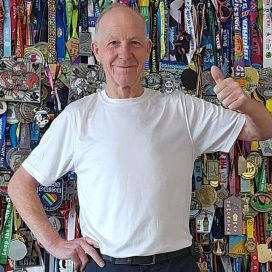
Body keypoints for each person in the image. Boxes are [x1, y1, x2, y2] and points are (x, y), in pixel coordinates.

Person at [8, 4, 272, 272]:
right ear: (97, 51)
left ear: (147, 48)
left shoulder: (183, 110)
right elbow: (20, 184)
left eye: (134, 42)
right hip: (106, 265)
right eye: (114, 43)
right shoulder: (78, 117)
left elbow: (260, 130)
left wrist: (247, 105)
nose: (124, 53)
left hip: (175, 264)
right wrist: (52, 242)